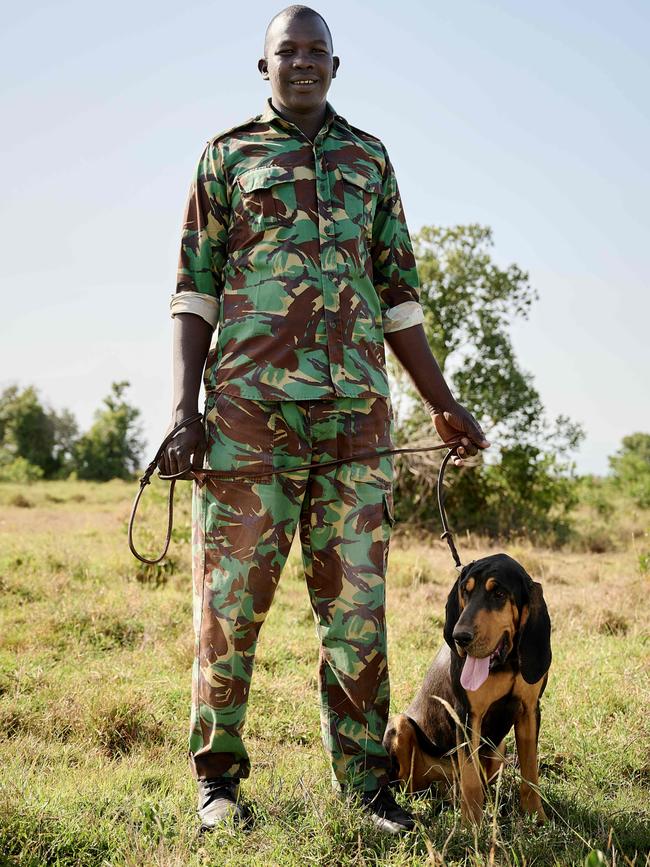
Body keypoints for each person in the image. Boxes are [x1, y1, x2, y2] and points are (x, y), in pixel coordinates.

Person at [159, 4, 489, 836]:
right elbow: (193, 293)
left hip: (355, 427)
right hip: (245, 424)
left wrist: (441, 401)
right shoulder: (226, 158)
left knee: (357, 616)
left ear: (336, 67)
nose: (301, 63)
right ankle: (219, 784)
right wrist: (183, 410)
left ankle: (366, 787)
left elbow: (400, 295)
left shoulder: (369, 160)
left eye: (316, 52)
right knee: (228, 611)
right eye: (286, 52)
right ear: (262, 66)